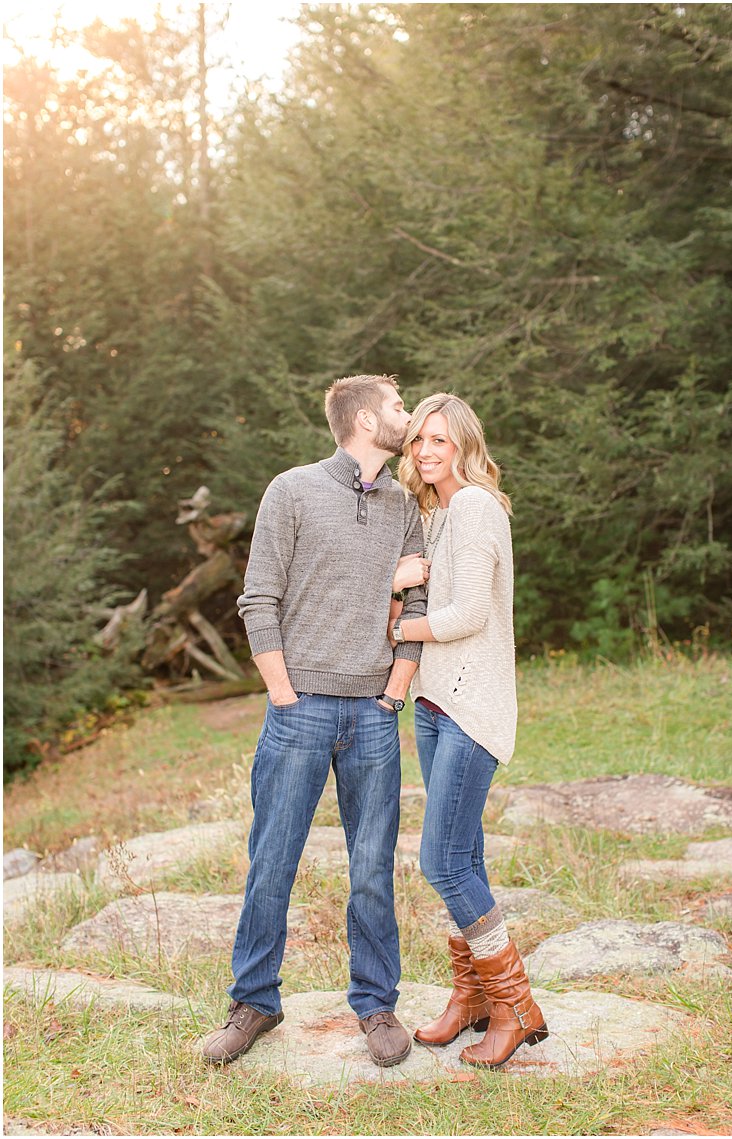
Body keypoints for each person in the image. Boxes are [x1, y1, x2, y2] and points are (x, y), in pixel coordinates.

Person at [201, 374, 424, 1069]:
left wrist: (393, 692)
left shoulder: (404, 505)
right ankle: (255, 1002)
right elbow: (258, 597)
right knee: (272, 860)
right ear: (362, 418)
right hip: (298, 709)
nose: (407, 414)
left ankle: (376, 1003)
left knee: (371, 867)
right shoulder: (291, 490)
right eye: (397, 405)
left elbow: (416, 609)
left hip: (373, 713)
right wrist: (283, 692)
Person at [388, 392, 547, 1070]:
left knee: (442, 861)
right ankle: (472, 997)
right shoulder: (436, 511)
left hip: (472, 708)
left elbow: (471, 614)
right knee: (469, 859)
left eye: (441, 441)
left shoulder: (478, 507)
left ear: (464, 446)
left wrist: (399, 628)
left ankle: (515, 1005)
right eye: (420, 439)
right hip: (432, 703)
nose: (427, 451)